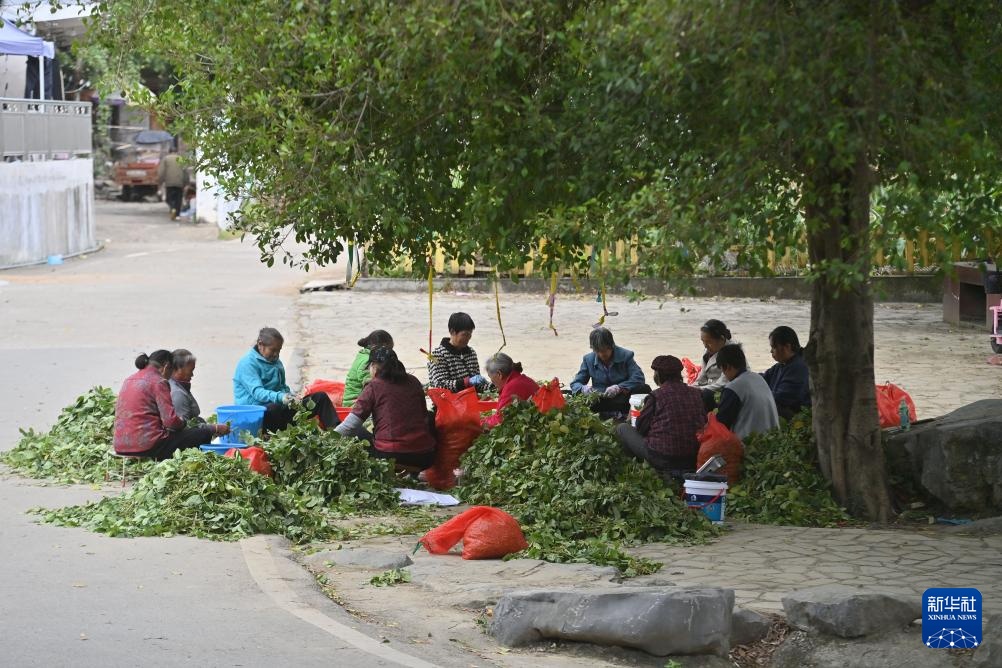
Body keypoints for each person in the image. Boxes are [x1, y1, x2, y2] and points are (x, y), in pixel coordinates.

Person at [114, 350, 229, 460]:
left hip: (120, 446)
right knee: (202, 434)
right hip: (147, 447)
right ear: (166, 367)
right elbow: (171, 422)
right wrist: (184, 423)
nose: (170, 377)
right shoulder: (159, 382)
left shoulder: (129, 379)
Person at [336, 347, 437, 468]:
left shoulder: (373, 386)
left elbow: (349, 427)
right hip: (426, 456)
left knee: (357, 431)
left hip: (391, 455)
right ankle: (413, 474)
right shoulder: (414, 381)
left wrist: (327, 439)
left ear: (373, 366)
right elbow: (424, 416)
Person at [615, 355, 707, 479]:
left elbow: (641, 428)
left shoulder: (656, 396)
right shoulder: (696, 393)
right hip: (693, 457)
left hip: (662, 458)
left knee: (622, 428)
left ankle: (639, 470)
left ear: (658, 376)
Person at [233, 327, 340, 432]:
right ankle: (274, 437)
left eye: (279, 350)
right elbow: (258, 393)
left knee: (320, 397)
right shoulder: (247, 364)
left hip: (279, 411)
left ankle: (338, 433)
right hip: (257, 416)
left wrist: (292, 396)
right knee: (273, 408)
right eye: (273, 350)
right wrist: (281, 397)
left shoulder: (275, 361)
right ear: (260, 344)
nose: (276, 354)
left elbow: (282, 386)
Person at [569, 327, 651, 419]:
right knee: (576, 398)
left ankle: (630, 417)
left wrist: (619, 387)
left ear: (611, 345)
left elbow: (639, 378)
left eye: (604, 350)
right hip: (600, 400)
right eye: (598, 351)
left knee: (644, 388)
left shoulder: (626, 355)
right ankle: (607, 415)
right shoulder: (588, 359)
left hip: (622, 399)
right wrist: (583, 388)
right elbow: (575, 384)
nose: (602, 354)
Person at [715, 344, 779, 439]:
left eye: (722, 371)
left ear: (727, 367)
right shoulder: (758, 378)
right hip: (773, 438)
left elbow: (721, 424)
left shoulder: (733, 388)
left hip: (750, 443)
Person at [428, 312, 488, 393]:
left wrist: (494, 385)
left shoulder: (471, 353)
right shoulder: (438, 355)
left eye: (470, 334)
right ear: (452, 332)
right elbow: (440, 385)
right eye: (465, 334)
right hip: (449, 400)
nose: (468, 338)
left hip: (471, 398)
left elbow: (477, 386)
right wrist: (466, 382)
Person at [761, 326, 812, 419]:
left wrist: (757, 395)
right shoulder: (781, 365)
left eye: (774, 347)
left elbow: (782, 398)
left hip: (795, 419)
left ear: (787, 347)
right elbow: (763, 378)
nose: (771, 351)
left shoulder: (799, 367)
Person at [482, 353, 539, 429]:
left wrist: (479, 423)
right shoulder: (524, 379)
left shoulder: (511, 388)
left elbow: (499, 420)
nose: (491, 381)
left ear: (499, 374)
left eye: (490, 377)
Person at [691, 319, 734, 412]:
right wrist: (691, 388)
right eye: (703, 342)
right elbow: (702, 377)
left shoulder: (732, 353)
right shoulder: (708, 351)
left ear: (721, 339)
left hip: (726, 393)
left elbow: (723, 384)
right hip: (710, 389)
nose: (705, 346)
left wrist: (696, 390)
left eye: (709, 342)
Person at [343, 329, 394, 406]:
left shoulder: (363, 355)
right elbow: (371, 387)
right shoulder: (368, 361)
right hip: (354, 404)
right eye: (389, 349)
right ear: (382, 346)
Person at [168, 348, 203, 422]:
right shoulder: (177, 393)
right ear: (177, 369)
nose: (192, 375)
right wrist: (213, 427)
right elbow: (184, 426)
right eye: (190, 371)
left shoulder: (179, 386)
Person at [156, 147, 185, 220]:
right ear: (176, 151)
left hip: (169, 183)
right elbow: (185, 171)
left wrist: (160, 181)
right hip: (179, 182)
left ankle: (172, 208)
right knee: (178, 199)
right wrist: (186, 182)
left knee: (169, 198)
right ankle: (177, 215)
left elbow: (161, 172)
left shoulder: (166, 159)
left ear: (169, 152)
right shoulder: (181, 158)